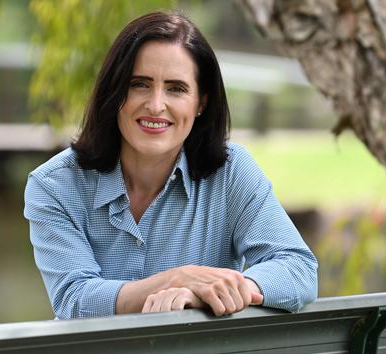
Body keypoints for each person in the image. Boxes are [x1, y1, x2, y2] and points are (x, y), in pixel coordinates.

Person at [24, 11, 318, 319]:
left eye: (176, 88)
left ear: (201, 102)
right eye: (139, 84)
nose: (155, 105)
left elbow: (298, 269)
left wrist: (215, 290)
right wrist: (174, 280)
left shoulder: (232, 172)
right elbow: (74, 299)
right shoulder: (54, 185)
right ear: (115, 91)